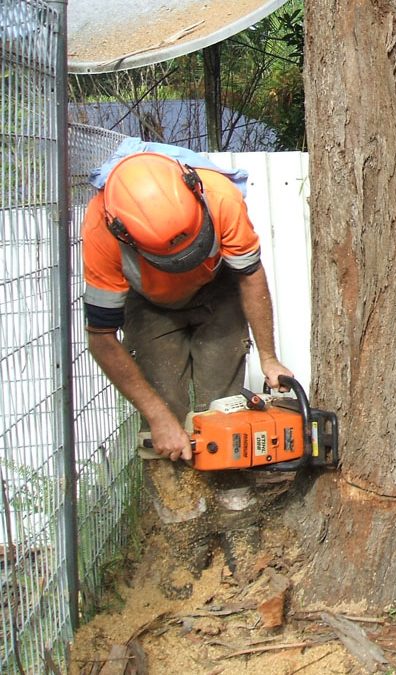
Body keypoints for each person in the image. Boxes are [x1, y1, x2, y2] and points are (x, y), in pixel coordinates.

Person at [81, 151, 294, 598]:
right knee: (168, 426)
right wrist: (159, 417)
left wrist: (270, 358)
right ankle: (184, 545)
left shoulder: (219, 197)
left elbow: (252, 278)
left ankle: (240, 529)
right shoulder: (101, 231)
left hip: (218, 292)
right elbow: (101, 336)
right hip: (151, 306)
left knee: (226, 411)